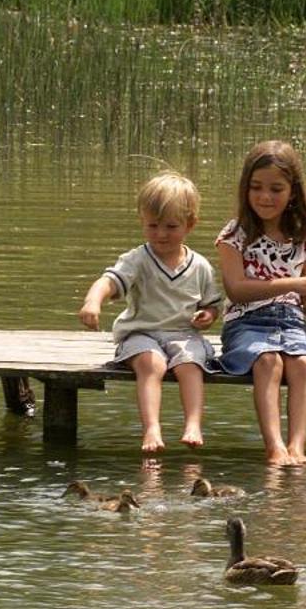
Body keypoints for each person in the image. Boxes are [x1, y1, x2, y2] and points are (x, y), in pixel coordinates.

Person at [78, 171, 226, 453]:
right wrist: (92, 301)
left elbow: (211, 305)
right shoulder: (138, 259)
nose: (161, 234)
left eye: (171, 226)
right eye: (153, 225)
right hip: (140, 333)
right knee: (152, 363)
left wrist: (207, 316)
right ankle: (151, 428)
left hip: (183, 333)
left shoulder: (200, 266)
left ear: (190, 224)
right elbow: (108, 281)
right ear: (142, 222)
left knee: (191, 363)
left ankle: (193, 424)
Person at [214, 140, 306, 465]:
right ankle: (274, 448)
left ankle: (297, 448)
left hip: (292, 322)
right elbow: (236, 289)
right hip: (246, 322)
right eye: (256, 187)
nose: (265, 197)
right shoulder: (235, 235)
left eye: (275, 189)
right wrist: (295, 282)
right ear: (245, 189)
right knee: (268, 361)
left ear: (292, 192)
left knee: (303, 364)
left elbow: (304, 304)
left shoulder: (305, 236)